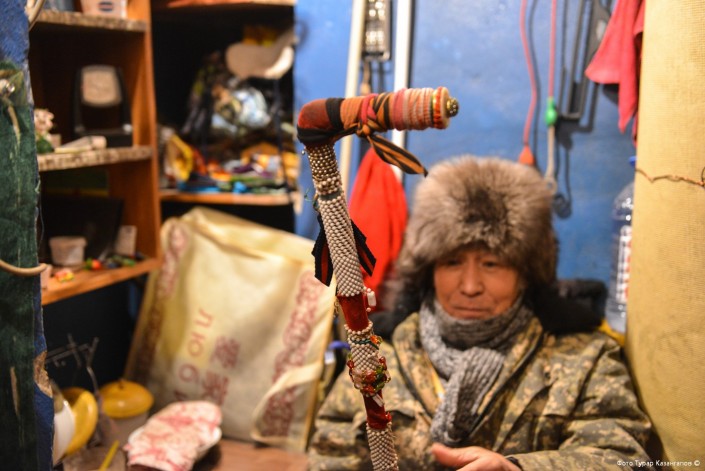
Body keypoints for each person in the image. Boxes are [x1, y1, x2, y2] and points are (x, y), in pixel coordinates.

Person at [307, 156, 653, 470]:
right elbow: (330, 454)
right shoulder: (382, 356)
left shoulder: (584, 360)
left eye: (491, 264)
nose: (470, 286)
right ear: (429, 270)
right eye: (452, 262)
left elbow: (624, 457)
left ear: (525, 274)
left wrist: (519, 469)